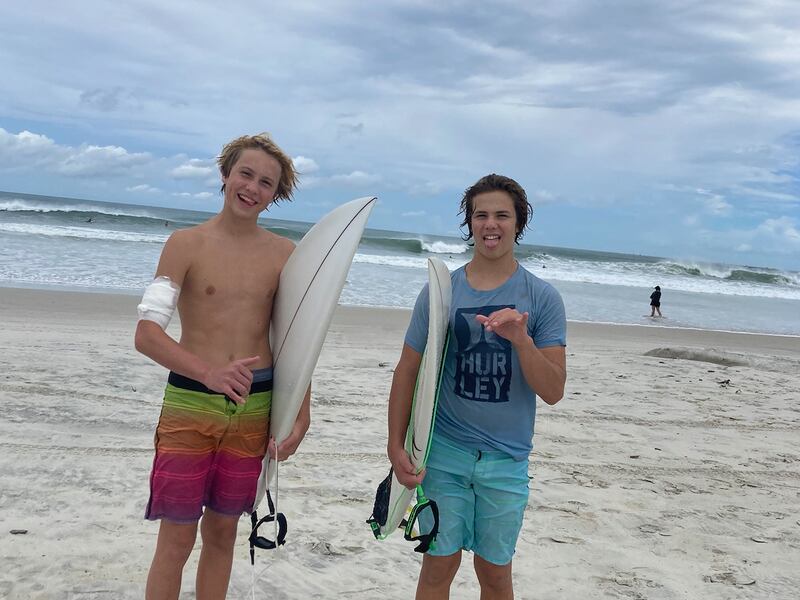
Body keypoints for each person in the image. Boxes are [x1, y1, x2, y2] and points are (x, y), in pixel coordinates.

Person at [134, 133, 311, 600]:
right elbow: (146, 334)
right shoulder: (185, 244)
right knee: (175, 539)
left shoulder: (283, 255)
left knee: (223, 535)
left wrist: (301, 414)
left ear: (276, 194)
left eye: (266, 183)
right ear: (226, 175)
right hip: (190, 403)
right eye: (245, 174)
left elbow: (296, 341)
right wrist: (208, 372)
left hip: (255, 409)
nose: (252, 187)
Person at [387, 174, 567, 599]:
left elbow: (554, 389)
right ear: (469, 223)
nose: (491, 224)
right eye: (481, 214)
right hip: (445, 454)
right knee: (437, 567)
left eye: (502, 215)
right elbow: (407, 370)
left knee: (494, 573)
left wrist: (521, 340)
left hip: (506, 462)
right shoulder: (442, 292)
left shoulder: (541, 298)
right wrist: (396, 445)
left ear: (518, 224)